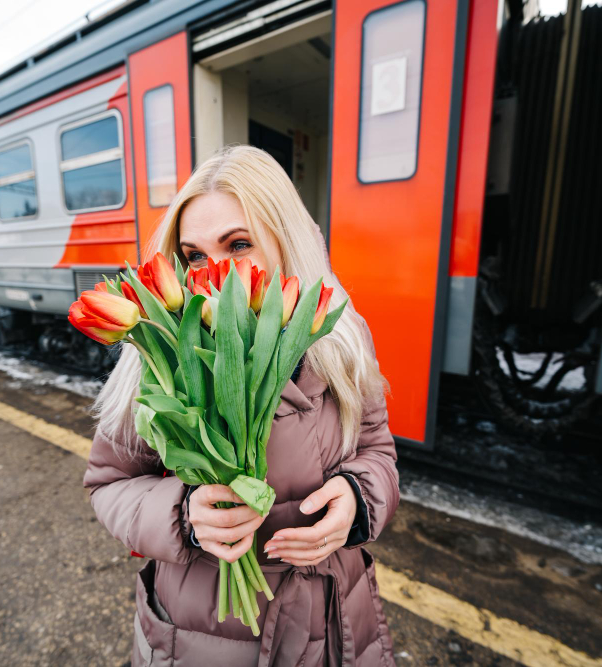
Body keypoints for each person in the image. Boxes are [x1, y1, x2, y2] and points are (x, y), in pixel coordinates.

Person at [83, 144, 399, 665]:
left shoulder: (339, 338)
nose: (217, 274)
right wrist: (183, 517)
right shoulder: (157, 357)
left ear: (284, 241)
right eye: (195, 256)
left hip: (336, 620)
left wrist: (358, 502)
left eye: (239, 244)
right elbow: (108, 484)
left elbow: (377, 451)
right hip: (201, 631)